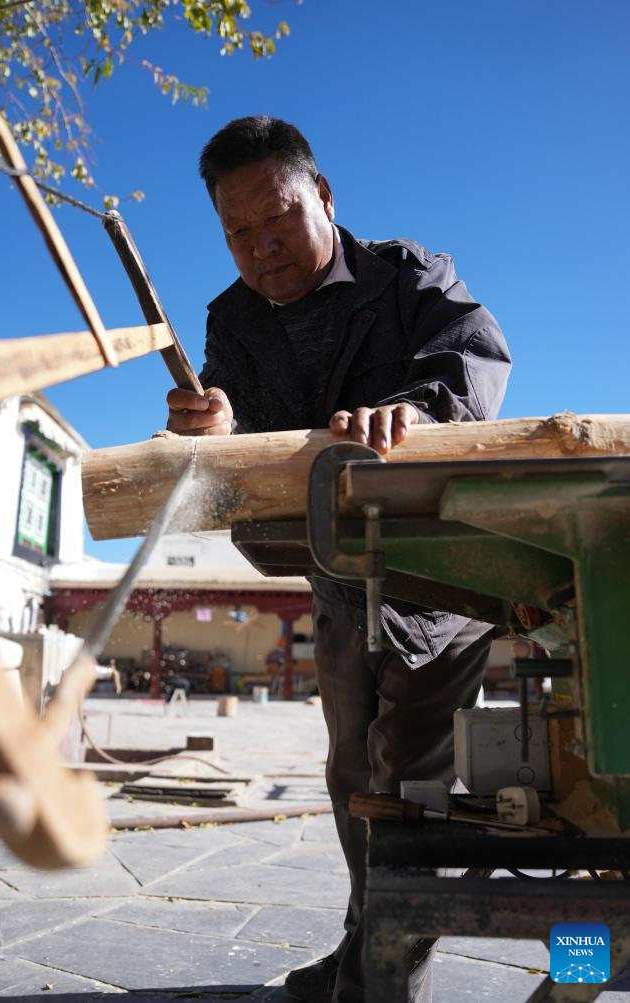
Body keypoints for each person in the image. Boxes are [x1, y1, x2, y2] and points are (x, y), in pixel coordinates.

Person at [165, 116, 512, 1003]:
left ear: (322, 196)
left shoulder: (410, 277)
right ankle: (366, 952)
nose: (260, 246)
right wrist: (213, 429)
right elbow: (233, 427)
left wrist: (417, 414)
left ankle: (383, 982)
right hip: (338, 585)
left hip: (442, 582)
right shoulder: (232, 319)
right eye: (236, 232)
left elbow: (472, 364)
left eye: (276, 218)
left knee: (411, 783)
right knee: (354, 779)